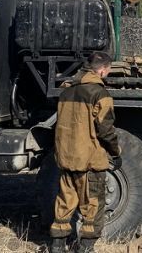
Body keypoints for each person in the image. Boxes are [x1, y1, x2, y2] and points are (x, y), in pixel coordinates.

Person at [50, 51, 122, 253]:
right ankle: (85, 249)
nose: (107, 74)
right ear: (101, 69)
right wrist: (115, 152)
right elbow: (106, 130)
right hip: (89, 161)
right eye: (108, 70)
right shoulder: (100, 94)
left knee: (65, 202)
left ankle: (57, 246)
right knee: (92, 206)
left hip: (66, 158)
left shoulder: (66, 91)